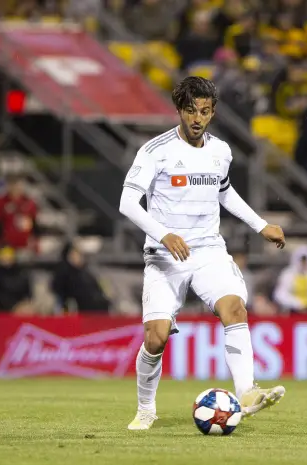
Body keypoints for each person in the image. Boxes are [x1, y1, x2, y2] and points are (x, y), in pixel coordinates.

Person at [118, 76, 287, 431]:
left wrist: (260, 225)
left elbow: (224, 192)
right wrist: (164, 235)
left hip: (209, 249)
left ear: (212, 113)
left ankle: (247, 392)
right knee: (156, 337)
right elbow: (127, 203)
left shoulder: (220, 151)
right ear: (180, 110)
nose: (198, 118)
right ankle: (146, 408)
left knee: (234, 306)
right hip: (164, 256)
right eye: (191, 110)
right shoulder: (155, 151)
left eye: (206, 112)